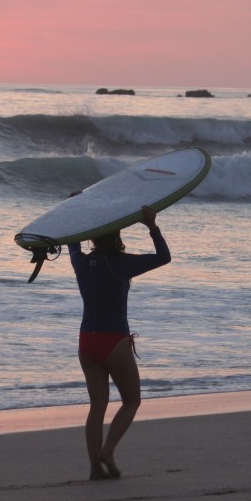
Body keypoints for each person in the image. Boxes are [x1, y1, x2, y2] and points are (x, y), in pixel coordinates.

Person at [68, 205, 171, 480]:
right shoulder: (122, 263)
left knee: (97, 407)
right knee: (132, 400)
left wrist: (74, 211)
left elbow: (72, 242)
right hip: (114, 340)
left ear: (93, 237)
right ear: (117, 236)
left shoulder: (80, 263)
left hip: (86, 341)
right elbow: (164, 257)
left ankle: (94, 469)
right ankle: (108, 450)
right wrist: (152, 225)